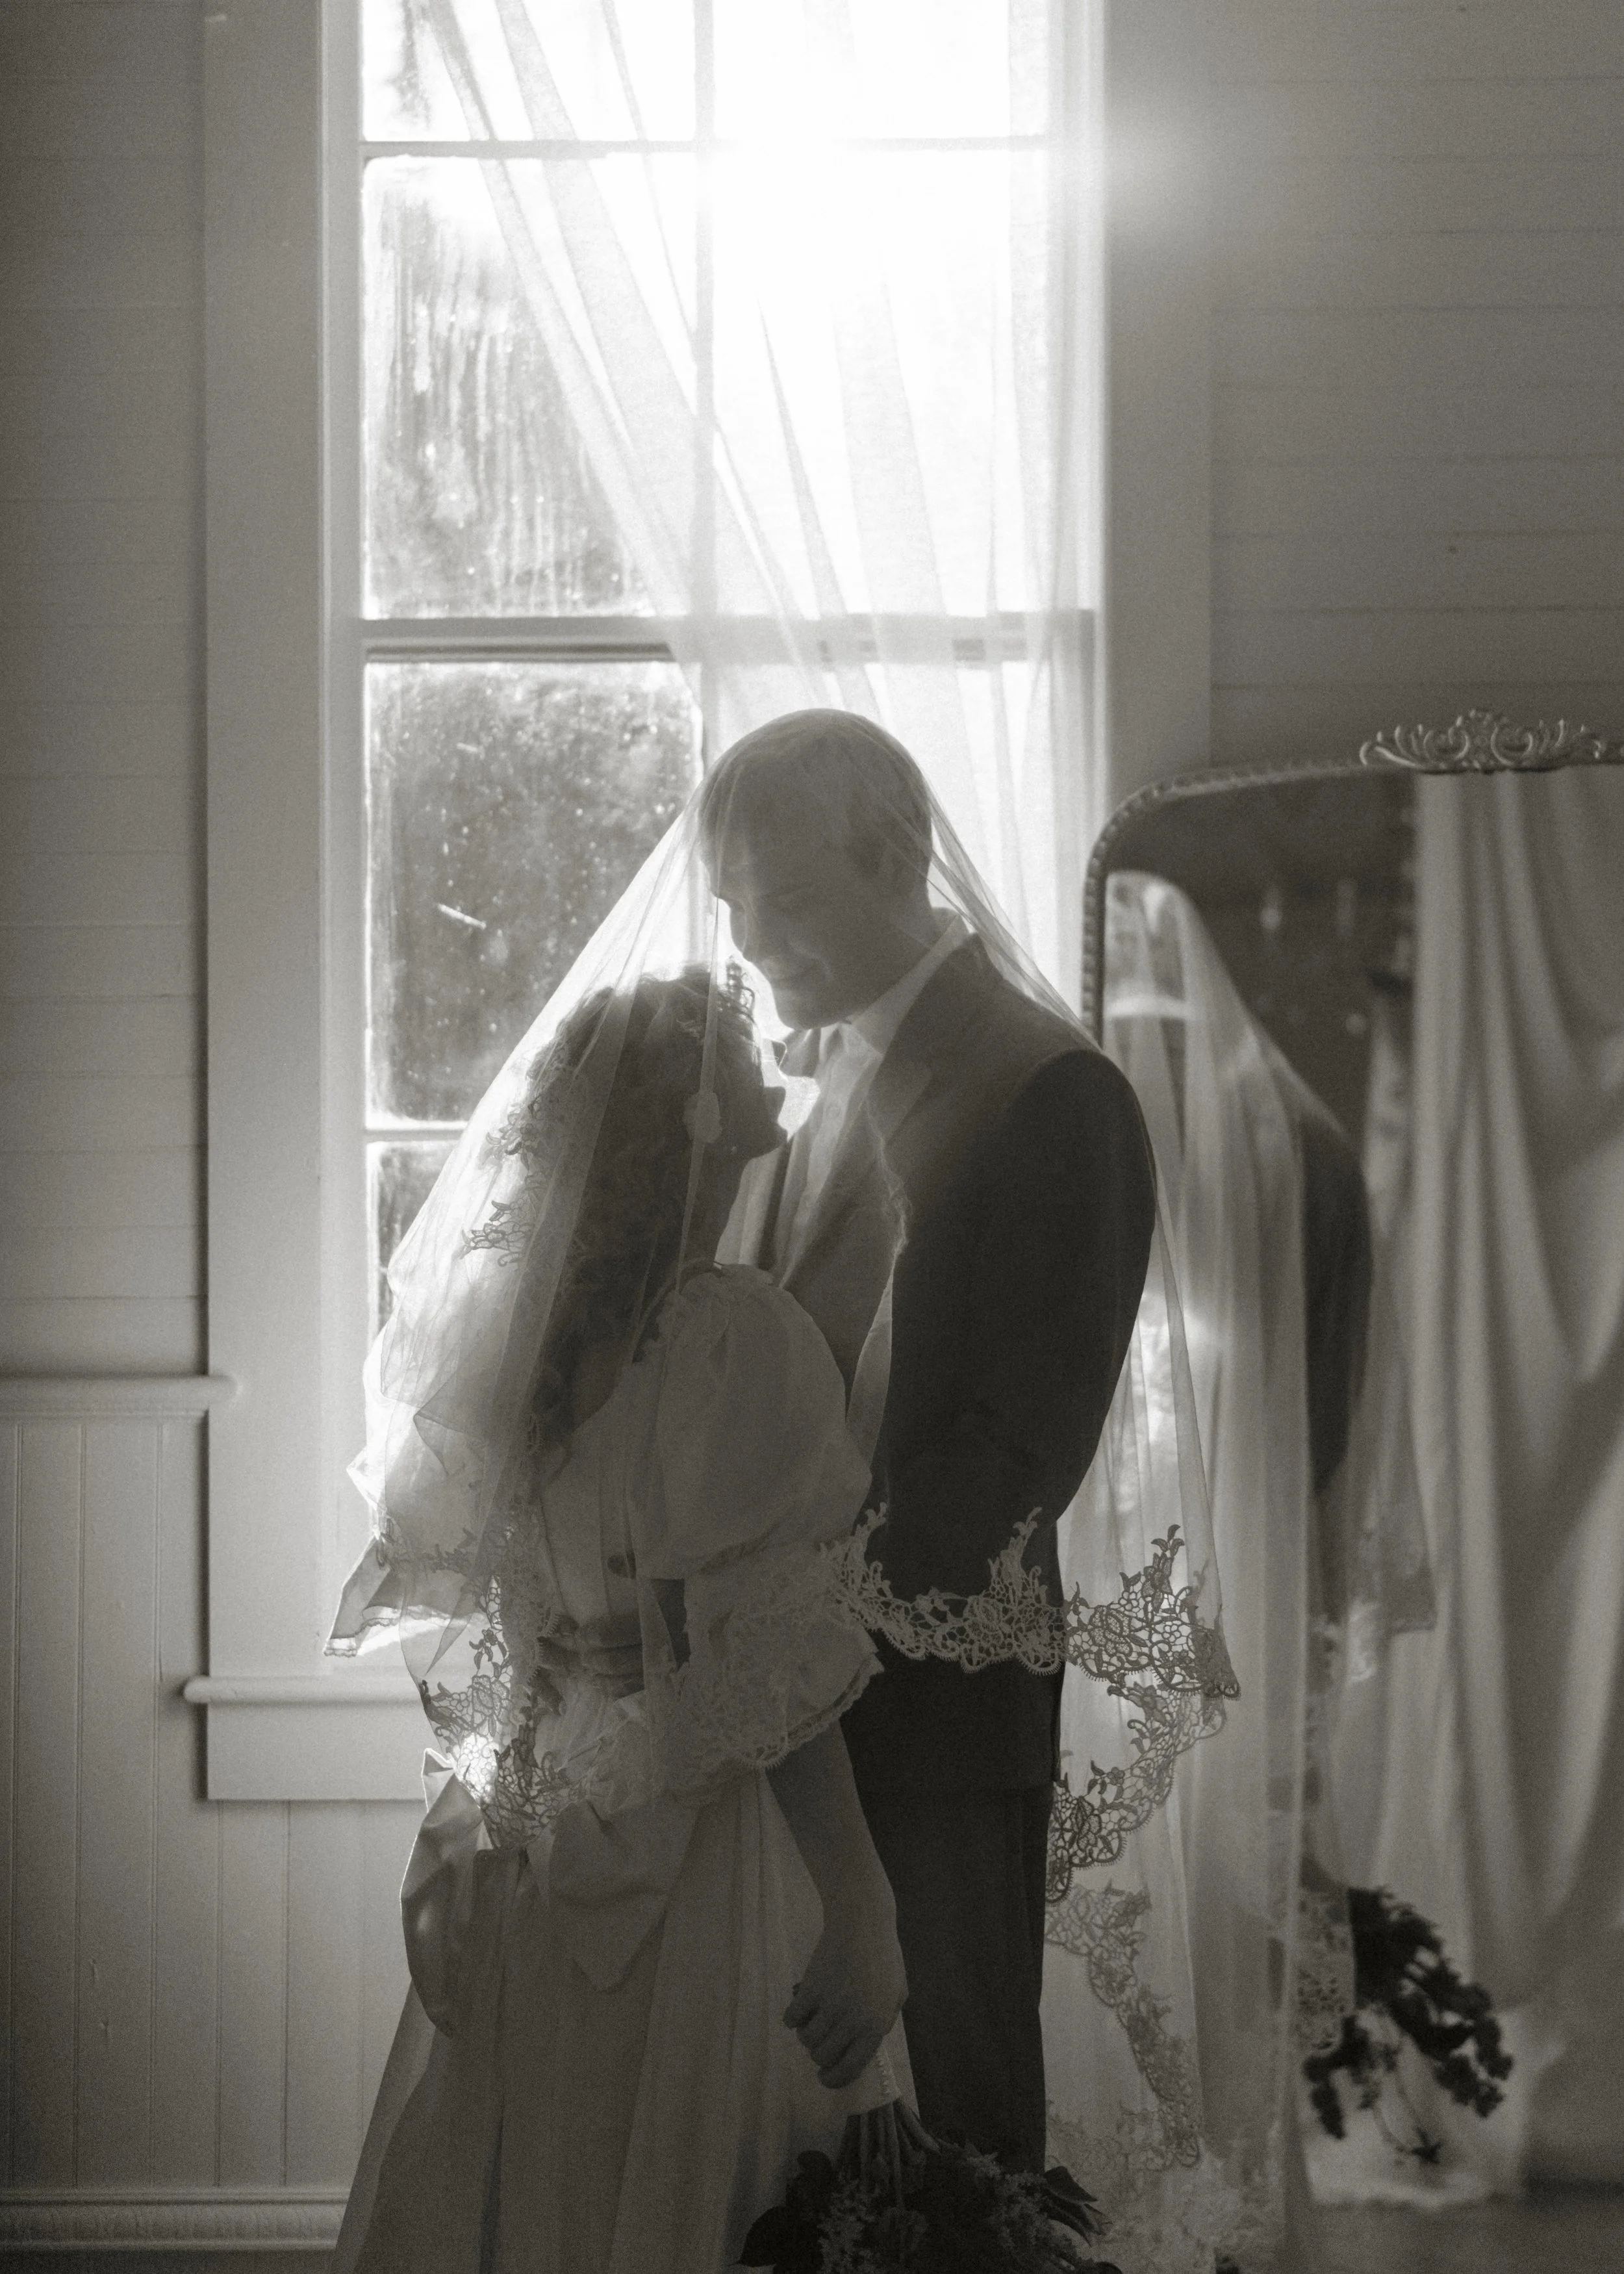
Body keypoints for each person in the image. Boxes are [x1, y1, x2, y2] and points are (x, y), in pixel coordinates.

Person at [327, 964, 911, 2273]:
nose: (775, 1072)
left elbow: (522, 1646)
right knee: (710, 2180)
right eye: (745, 1058)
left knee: (553, 2165)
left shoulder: (534, 1349)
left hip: (553, 1828)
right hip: (711, 1853)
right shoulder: (726, 1339)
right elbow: (763, 1668)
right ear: (696, 1120)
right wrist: (861, 1900)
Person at [703, 709, 1159, 2173]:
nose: (752, 935)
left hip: (935, 1719)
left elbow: (1012, 1456)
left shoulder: (1052, 1089)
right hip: (789, 1720)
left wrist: (798, 1632)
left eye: (784, 894)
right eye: (734, 902)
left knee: (957, 2142)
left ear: (896, 860)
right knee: (810, 2153)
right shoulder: (823, 1071)